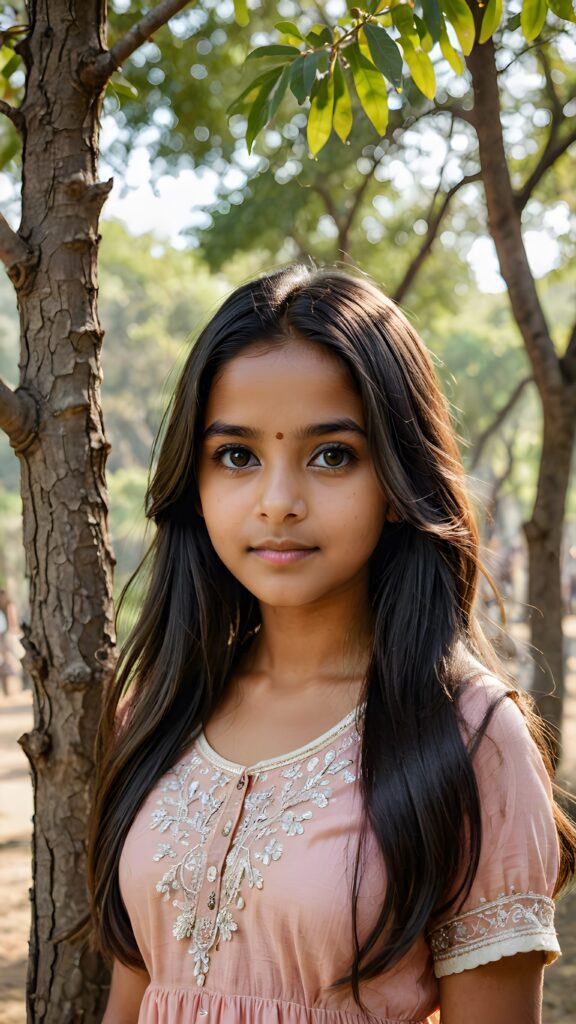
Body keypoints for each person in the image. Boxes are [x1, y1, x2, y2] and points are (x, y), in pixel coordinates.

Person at [87, 266, 576, 1024]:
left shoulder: (468, 737)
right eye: (238, 456)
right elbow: (133, 996)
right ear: (197, 480)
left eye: (332, 455)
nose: (278, 502)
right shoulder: (158, 711)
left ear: (397, 478)